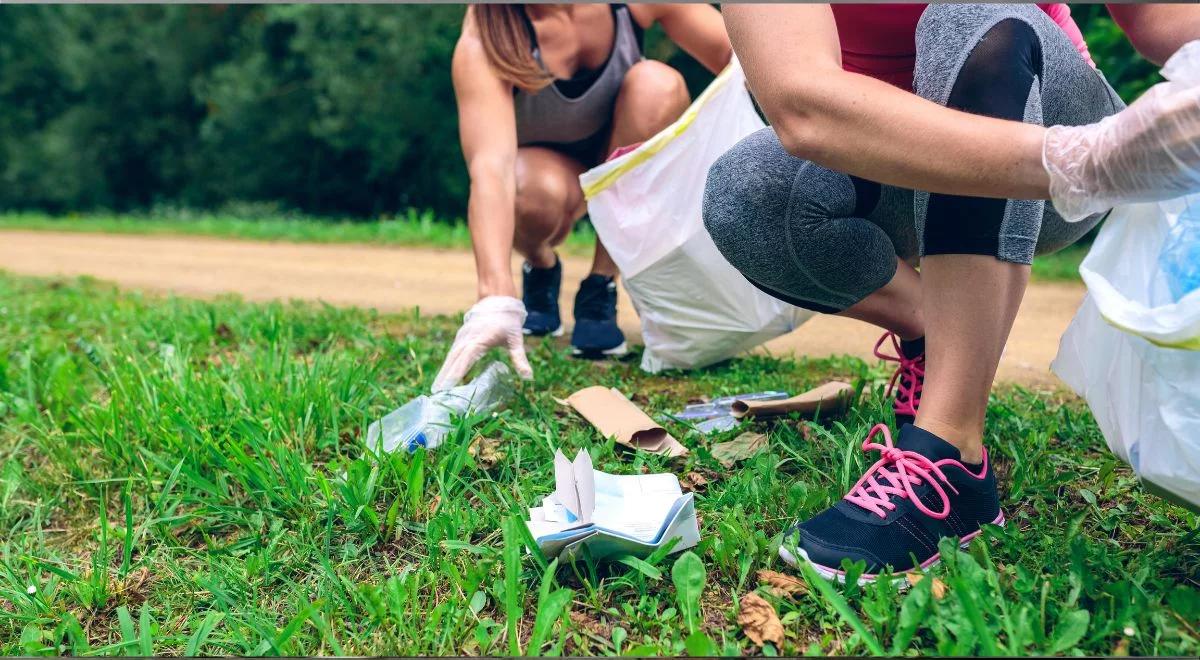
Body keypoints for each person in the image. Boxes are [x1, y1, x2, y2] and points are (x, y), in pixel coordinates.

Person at [703, 3, 1200, 581]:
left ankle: (951, 448)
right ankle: (932, 333)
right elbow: (802, 105)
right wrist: (1084, 164)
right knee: (749, 195)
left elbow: (1165, 19)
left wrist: (1115, 145)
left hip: (1042, 111)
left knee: (967, 13)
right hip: (934, 158)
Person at [433, 4, 732, 391]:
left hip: (623, 155)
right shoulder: (486, 35)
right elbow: (492, 169)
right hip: (547, 172)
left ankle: (599, 287)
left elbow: (741, 59)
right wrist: (494, 298)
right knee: (528, 191)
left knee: (658, 84)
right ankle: (541, 268)